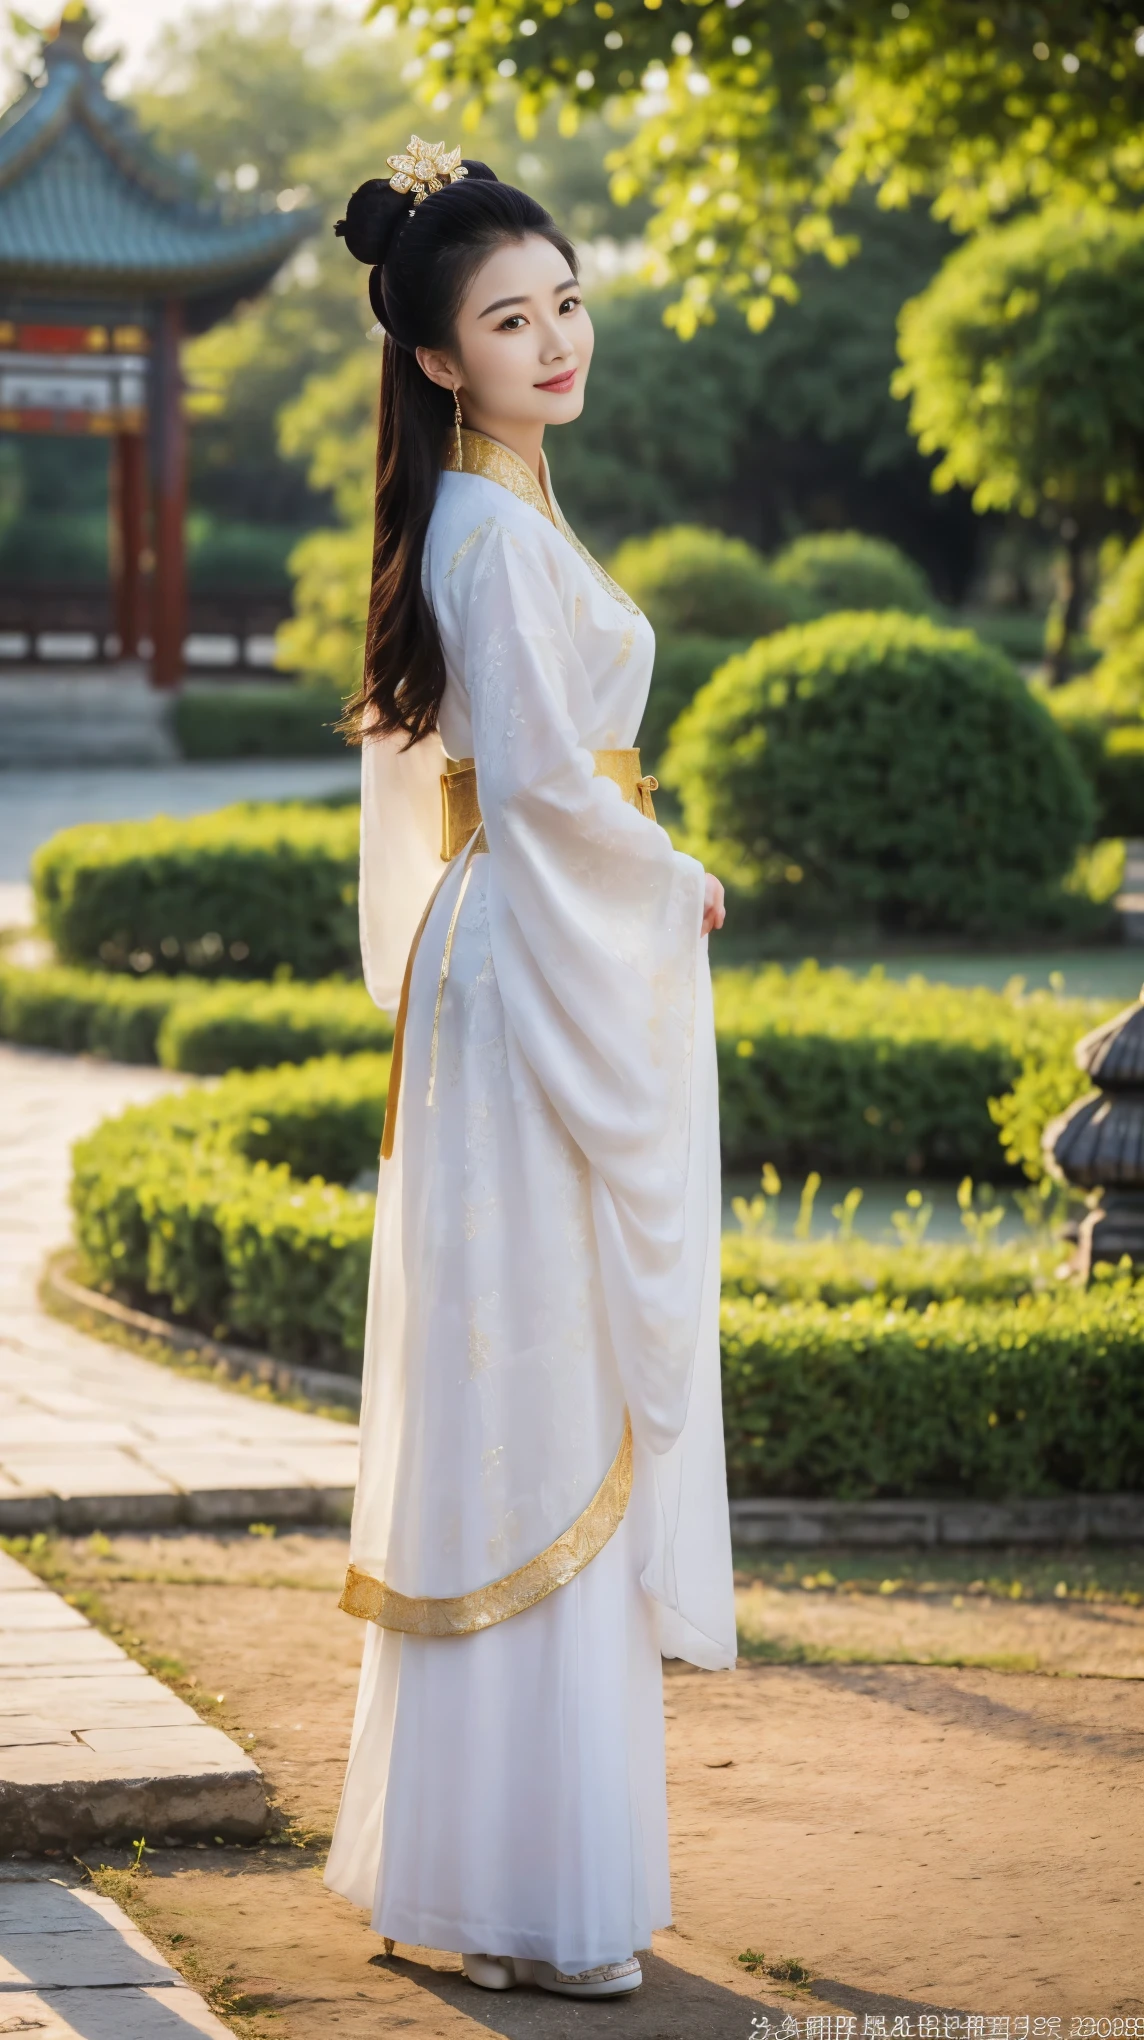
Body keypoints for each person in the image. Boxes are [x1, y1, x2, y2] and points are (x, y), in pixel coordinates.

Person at [324, 137, 737, 2001]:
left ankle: (491, 1885)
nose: (557, 336)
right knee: (537, 1403)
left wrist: (628, 865)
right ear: (436, 359)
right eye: (510, 317)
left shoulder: (493, 513)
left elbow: (536, 788)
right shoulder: (491, 533)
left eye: (565, 299)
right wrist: (679, 874)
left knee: (526, 1402)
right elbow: (562, 793)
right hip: (535, 963)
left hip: (509, 966)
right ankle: (523, 1892)